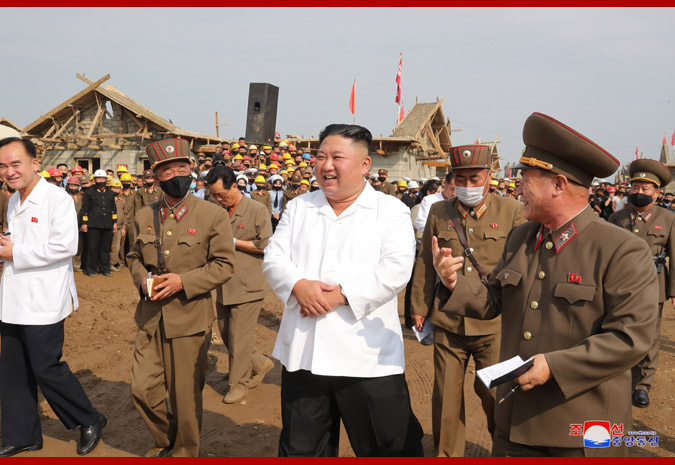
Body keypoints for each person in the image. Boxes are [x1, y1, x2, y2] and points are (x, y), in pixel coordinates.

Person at [430, 112, 658, 456]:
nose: (517, 188)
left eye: (525, 179)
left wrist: (554, 366)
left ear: (558, 185)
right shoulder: (521, 237)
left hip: (581, 429)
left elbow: (630, 338)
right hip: (514, 421)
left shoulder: (621, 249)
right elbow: (494, 299)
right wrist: (453, 282)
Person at [263, 124, 424, 457]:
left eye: (337, 157)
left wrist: (340, 295)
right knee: (302, 449)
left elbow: (396, 268)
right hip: (305, 354)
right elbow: (274, 257)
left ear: (365, 165)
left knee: (388, 447)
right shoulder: (300, 207)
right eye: (321, 157)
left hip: (368, 358)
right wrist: (298, 286)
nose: (326, 166)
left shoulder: (389, 210)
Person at [411, 144, 525, 457]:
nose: (468, 185)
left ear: (489, 176)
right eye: (461, 179)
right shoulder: (439, 211)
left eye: (475, 178)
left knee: (496, 394)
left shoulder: (511, 211)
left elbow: (521, 266)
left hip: (494, 324)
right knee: (445, 397)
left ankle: (504, 449)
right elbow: (425, 261)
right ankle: (447, 455)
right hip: (449, 320)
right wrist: (419, 307)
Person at [127, 138, 235, 457]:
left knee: (185, 397)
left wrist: (182, 282)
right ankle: (166, 438)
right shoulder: (144, 215)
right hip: (151, 317)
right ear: (155, 176)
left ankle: (185, 451)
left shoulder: (212, 215)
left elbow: (224, 265)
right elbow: (133, 256)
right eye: (167, 170)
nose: (176, 174)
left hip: (189, 319)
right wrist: (142, 279)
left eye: (181, 167)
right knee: (142, 390)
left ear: (192, 170)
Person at [0, 137, 107, 457]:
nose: (9, 171)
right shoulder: (14, 200)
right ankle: (23, 434)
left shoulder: (57, 199)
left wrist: (15, 252)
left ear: (35, 163)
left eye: (15, 164)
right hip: (14, 296)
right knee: (13, 369)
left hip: (44, 298)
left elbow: (65, 246)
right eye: (3, 166)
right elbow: (19, 241)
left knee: (46, 367)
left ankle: (89, 418)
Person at [607, 159, 675, 408]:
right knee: (617, 329)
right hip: (619, 284)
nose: (639, 192)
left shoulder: (667, 219)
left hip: (653, 284)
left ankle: (642, 385)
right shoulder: (617, 217)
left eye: (645, 189)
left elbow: (674, 255)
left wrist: (673, 290)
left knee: (650, 336)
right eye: (635, 187)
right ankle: (619, 379)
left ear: (656, 193)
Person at [206, 165, 275, 404]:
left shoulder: (257, 210)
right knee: (226, 333)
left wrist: (233, 241)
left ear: (235, 186)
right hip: (223, 283)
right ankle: (260, 363)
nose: (218, 199)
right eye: (214, 195)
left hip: (248, 285)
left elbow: (265, 245)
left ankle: (238, 384)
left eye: (221, 195)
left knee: (238, 339)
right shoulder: (217, 212)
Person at [80, 169, 117, 277]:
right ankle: (91, 269)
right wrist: (84, 223)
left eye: (102, 178)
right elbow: (85, 209)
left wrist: (115, 222)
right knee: (92, 247)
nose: (100, 180)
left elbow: (113, 209)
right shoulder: (89, 193)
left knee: (105, 248)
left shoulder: (110, 193)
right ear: (94, 180)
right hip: (93, 225)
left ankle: (105, 269)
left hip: (107, 224)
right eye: (98, 178)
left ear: (106, 180)